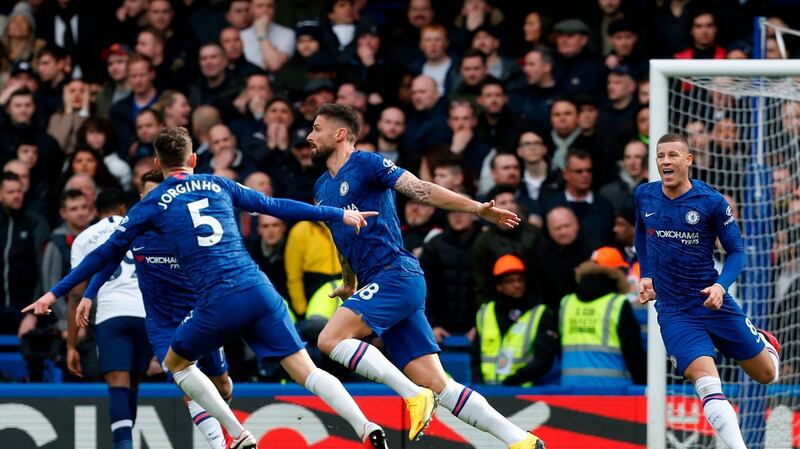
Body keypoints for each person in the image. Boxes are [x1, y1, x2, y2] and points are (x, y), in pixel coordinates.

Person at [25, 127, 389, 449]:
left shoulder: (149, 205)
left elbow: (103, 255)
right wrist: (338, 213)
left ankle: (239, 436)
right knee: (307, 371)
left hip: (215, 300)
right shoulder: (219, 183)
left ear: (157, 162)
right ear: (194, 158)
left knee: (176, 365)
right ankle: (364, 424)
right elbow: (274, 205)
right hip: (259, 288)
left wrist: (53, 293)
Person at [308, 103, 545, 449]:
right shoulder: (320, 187)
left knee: (328, 340)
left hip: (395, 275)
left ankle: (411, 395)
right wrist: (349, 281)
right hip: (382, 282)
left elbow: (421, 189)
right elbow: (341, 236)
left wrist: (477, 208)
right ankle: (520, 440)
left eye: (316, 128)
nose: (310, 136)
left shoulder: (368, 163)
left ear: (339, 134)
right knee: (439, 384)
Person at [635, 133, 781, 449]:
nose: (665, 162)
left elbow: (738, 252)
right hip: (675, 311)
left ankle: (767, 343)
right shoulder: (644, 197)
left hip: (712, 300)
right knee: (707, 383)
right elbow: (640, 234)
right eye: (661, 156)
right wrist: (646, 274)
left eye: (673, 155)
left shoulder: (711, 202)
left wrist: (720, 286)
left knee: (767, 374)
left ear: (689, 160)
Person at [78, 171, 233, 449]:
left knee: (221, 384)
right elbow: (107, 260)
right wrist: (87, 294)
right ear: (140, 198)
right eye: (150, 194)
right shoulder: (134, 228)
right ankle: (222, 445)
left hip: (203, 309)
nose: (157, 199)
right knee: (185, 380)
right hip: (164, 319)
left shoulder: (186, 223)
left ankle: (227, 431)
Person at [63, 189, 151, 449]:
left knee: (118, 385)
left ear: (96, 211)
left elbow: (76, 295)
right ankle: (127, 442)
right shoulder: (142, 230)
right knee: (132, 383)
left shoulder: (85, 238)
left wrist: (71, 344)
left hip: (111, 314)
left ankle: (123, 445)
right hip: (145, 313)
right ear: (124, 208)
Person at [475, 254, 557, 386]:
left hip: (521, 390)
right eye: (510, 281)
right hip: (487, 390)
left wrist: (515, 379)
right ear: (499, 286)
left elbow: (544, 358)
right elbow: (476, 355)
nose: (517, 285)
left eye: (520, 280)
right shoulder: (485, 313)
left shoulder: (539, 312)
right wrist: (478, 382)